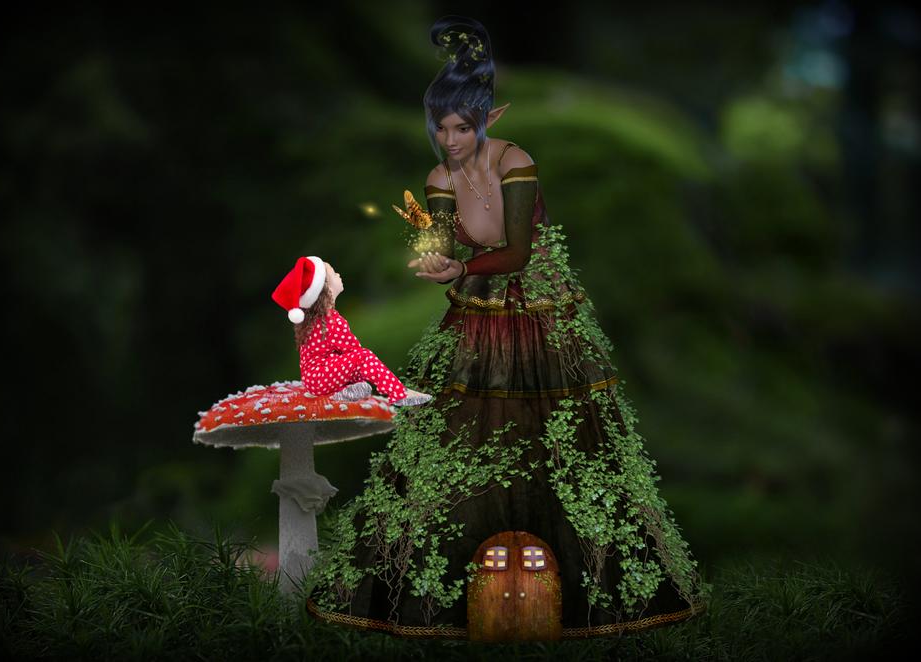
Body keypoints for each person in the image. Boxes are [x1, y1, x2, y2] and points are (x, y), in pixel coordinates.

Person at [306, 16, 711, 639]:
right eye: (440, 128)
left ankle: (595, 588)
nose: (449, 139)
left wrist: (459, 264)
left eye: (461, 126)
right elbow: (441, 248)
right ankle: (418, 592)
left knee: (563, 438)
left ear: (487, 119)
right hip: (476, 313)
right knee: (456, 431)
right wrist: (436, 261)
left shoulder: (516, 160)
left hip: (539, 314)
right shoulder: (439, 178)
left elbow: (517, 250)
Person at [271, 255, 432, 407]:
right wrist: (368, 369)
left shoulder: (314, 321)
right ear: (325, 287)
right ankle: (399, 394)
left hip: (314, 379)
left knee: (358, 376)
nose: (338, 274)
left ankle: (345, 392)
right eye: (333, 273)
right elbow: (354, 351)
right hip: (320, 377)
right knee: (364, 357)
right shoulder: (330, 321)